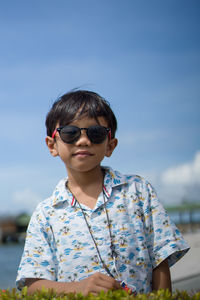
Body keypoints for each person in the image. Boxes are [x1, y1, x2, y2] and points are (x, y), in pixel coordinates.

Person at [16, 89, 189, 295]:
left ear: (110, 145)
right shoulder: (46, 213)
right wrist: (77, 288)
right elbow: (31, 285)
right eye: (70, 133)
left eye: (95, 133)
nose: (83, 140)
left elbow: (160, 259)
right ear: (52, 145)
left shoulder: (138, 191)